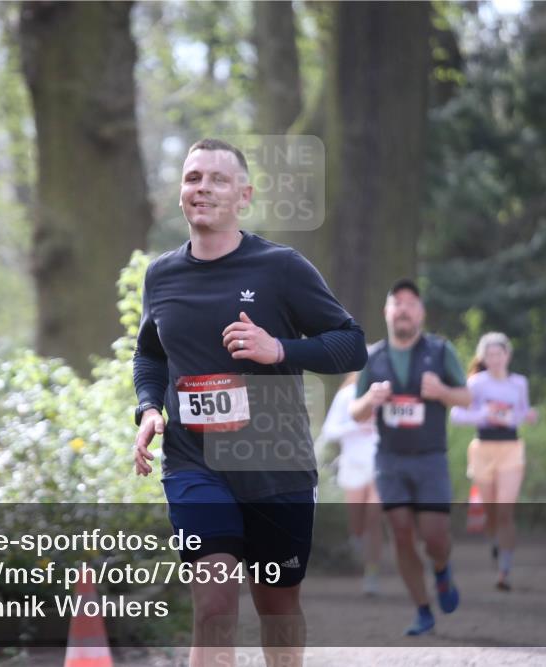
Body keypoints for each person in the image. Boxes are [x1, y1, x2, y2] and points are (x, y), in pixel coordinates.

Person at [132, 138, 367, 667]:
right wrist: (149, 408)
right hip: (194, 463)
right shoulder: (161, 275)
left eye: (218, 179)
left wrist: (279, 348)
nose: (203, 188)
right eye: (193, 178)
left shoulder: (280, 268)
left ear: (244, 196)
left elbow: (351, 344)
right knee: (214, 608)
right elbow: (149, 354)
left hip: (275, 464)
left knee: (277, 609)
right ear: (181, 193)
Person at [349, 279, 471, 636]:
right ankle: (422, 610)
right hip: (390, 461)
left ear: (421, 313)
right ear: (387, 312)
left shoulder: (440, 350)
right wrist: (370, 399)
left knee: (435, 537)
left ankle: (442, 570)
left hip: (430, 458)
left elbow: (466, 397)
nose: (403, 308)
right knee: (401, 534)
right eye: (396, 303)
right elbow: (355, 411)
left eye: (410, 303)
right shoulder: (373, 357)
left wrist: (443, 391)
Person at [451, 332, 537, 591]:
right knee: (491, 514)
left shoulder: (519, 383)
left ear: (507, 355)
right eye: (489, 355)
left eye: (499, 354)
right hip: (483, 448)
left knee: (505, 512)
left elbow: (522, 412)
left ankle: (504, 571)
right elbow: (456, 415)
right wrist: (483, 415)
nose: (495, 359)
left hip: (511, 448)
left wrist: (528, 416)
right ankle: (495, 542)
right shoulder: (476, 383)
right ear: (483, 358)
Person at [317, 370, 385, 596]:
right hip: (353, 465)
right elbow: (329, 430)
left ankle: (372, 573)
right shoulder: (347, 394)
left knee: (374, 517)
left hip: (382, 465)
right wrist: (357, 426)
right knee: (357, 522)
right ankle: (356, 547)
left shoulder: (388, 393)